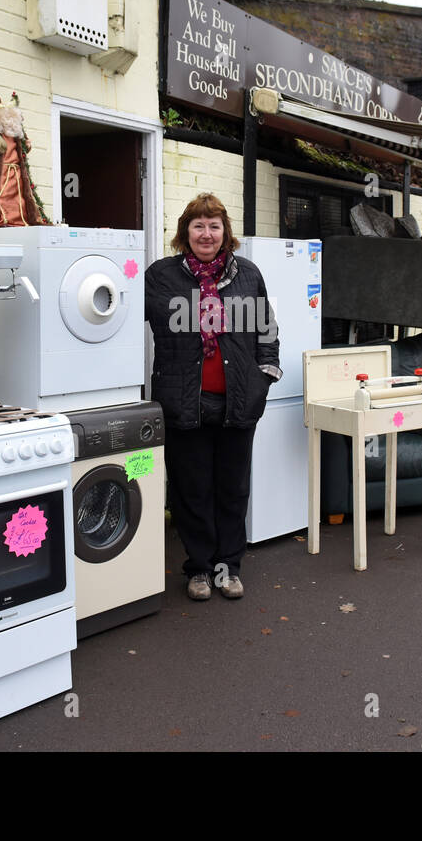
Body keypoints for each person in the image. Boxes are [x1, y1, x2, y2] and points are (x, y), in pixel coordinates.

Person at [144, 193, 281, 601]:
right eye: (198, 225)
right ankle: (200, 568)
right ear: (185, 232)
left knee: (232, 489)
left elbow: (267, 330)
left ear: (226, 232)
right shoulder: (161, 276)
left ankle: (228, 567)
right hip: (183, 402)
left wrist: (265, 376)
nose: (207, 233)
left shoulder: (248, 275)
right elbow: (124, 316)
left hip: (238, 402)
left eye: (214, 225)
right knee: (191, 489)